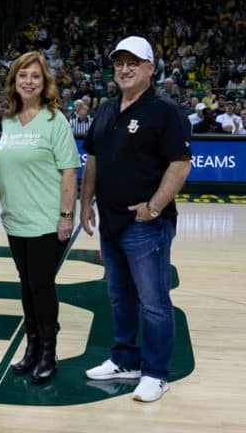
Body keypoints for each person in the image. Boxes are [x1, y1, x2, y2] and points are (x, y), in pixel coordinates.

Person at [81, 36, 191, 402]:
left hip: (146, 225)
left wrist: (154, 208)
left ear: (150, 68)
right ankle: (125, 359)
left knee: (154, 301)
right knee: (119, 297)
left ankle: (156, 372)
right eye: (119, 63)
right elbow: (93, 159)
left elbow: (180, 164)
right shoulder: (107, 108)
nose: (124, 69)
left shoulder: (165, 111)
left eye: (133, 63)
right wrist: (85, 203)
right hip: (111, 222)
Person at [0, 51, 81, 384]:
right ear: (14, 81)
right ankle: (31, 348)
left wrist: (66, 216)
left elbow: (70, 171)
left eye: (35, 76)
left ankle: (48, 352)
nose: (29, 81)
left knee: (41, 285)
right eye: (23, 76)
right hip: (15, 220)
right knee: (27, 286)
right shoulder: (8, 120)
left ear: (45, 84)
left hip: (48, 220)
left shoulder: (55, 119)